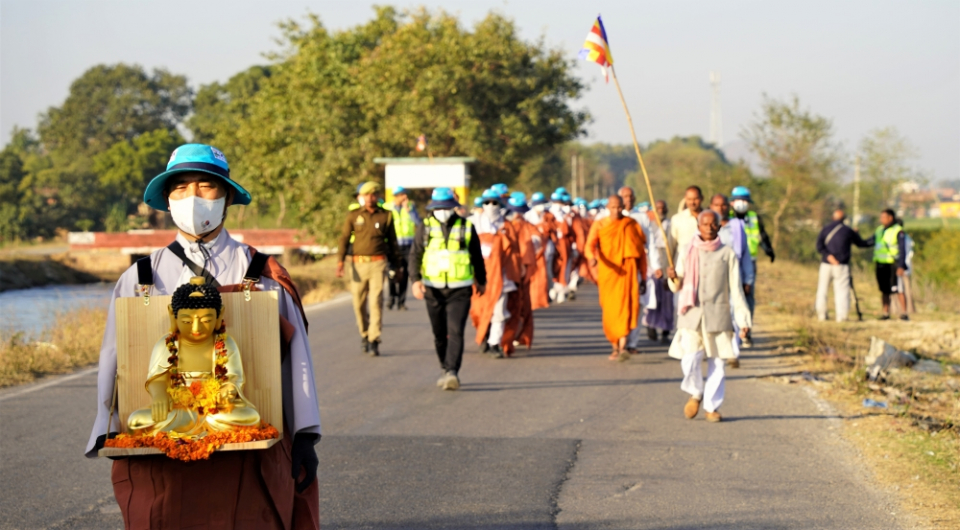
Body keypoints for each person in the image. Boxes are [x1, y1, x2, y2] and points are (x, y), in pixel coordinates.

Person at [85, 143, 321, 529]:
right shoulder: (140, 278)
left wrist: (306, 435)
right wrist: (106, 427)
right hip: (170, 441)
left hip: (243, 442)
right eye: (180, 188)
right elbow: (115, 358)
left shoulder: (261, 272)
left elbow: (296, 360)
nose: (193, 198)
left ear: (227, 195)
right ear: (167, 199)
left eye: (206, 186)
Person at [667, 210, 752, 423]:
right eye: (705, 224)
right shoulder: (687, 250)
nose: (709, 228)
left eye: (713, 224)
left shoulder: (727, 254)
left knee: (718, 363)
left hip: (718, 314)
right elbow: (677, 286)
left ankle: (712, 407)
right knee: (690, 359)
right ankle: (696, 391)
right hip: (691, 313)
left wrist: (743, 321)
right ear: (698, 225)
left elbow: (736, 290)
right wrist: (673, 278)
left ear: (719, 226)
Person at [409, 188, 487, 390]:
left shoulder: (466, 227)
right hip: (432, 288)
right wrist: (415, 280)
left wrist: (482, 280)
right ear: (433, 208)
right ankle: (444, 367)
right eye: (439, 207)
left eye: (447, 207)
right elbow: (415, 255)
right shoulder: (424, 228)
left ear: (454, 207)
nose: (443, 211)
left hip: (460, 289)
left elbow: (477, 257)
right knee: (439, 333)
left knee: (456, 331)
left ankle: (452, 371)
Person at [336, 181, 401, 356]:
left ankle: (374, 338)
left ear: (378, 196)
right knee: (358, 302)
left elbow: (392, 241)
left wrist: (398, 264)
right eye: (366, 195)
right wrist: (340, 262)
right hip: (358, 264)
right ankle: (364, 334)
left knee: (376, 301)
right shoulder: (353, 216)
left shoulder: (386, 216)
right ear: (361, 197)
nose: (370, 198)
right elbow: (343, 239)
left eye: (373, 194)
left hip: (378, 263)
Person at [586, 195, 647, 361]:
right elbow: (589, 245)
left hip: (629, 271)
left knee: (628, 306)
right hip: (609, 272)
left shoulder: (631, 224)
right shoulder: (600, 224)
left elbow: (641, 253)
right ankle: (614, 345)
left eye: (619, 207)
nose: (616, 210)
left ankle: (622, 346)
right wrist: (591, 257)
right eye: (613, 207)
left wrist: (644, 276)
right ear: (607, 207)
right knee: (610, 309)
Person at [470, 189, 524, 357]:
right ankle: (484, 335)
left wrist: (517, 273)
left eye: (494, 203)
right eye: (487, 202)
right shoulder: (473, 223)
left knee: (500, 312)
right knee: (479, 311)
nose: (491, 206)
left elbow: (515, 252)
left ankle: (495, 343)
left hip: (502, 277)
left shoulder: (507, 226)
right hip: (480, 277)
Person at [617, 186, 661, 354]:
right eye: (625, 196)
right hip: (617, 270)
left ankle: (632, 343)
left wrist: (656, 265)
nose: (628, 199)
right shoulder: (611, 218)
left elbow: (649, 243)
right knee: (619, 305)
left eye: (630, 196)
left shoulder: (641, 217)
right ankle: (619, 340)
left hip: (637, 266)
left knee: (638, 304)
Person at [730, 186, 773, 347]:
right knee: (732, 297)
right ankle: (731, 331)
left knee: (748, 295)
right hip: (731, 262)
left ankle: (746, 330)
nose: (741, 204)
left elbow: (762, 235)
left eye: (745, 201)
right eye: (738, 200)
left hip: (750, 262)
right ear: (732, 202)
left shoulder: (754, 218)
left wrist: (769, 249)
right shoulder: (726, 218)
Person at [815, 208, 871, 322]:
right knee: (842, 291)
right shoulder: (848, 231)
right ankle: (841, 316)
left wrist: (828, 256)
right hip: (841, 265)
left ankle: (821, 315)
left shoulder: (825, 229)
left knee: (822, 289)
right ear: (844, 219)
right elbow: (861, 244)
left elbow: (819, 246)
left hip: (826, 264)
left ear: (832, 218)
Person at [504, 194, 538, 349]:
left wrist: (525, 265)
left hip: (521, 271)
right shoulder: (504, 225)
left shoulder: (527, 227)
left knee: (521, 305)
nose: (517, 214)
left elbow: (534, 245)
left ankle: (519, 335)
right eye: (514, 211)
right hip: (505, 270)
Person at [868, 208, 908, 320]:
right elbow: (868, 242)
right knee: (884, 290)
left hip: (893, 264)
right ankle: (886, 313)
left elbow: (902, 249)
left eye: (883, 217)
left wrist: (901, 265)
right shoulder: (879, 230)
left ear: (890, 217)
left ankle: (904, 313)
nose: (881, 219)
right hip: (881, 264)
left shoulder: (898, 230)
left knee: (898, 289)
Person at [385, 186, 421, 311]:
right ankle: (391, 297)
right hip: (393, 245)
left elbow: (419, 223)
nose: (404, 197)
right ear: (396, 196)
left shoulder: (411, 207)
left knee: (405, 274)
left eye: (405, 195)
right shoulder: (387, 208)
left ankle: (401, 301)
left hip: (408, 246)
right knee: (391, 272)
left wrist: (409, 210)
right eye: (402, 195)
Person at [645, 199, 674, 343]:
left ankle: (665, 331)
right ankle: (651, 325)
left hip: (668, 264)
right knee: (653, 298)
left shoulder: (671, 225)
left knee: (667, 299)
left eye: (663, 208)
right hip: (652, 267)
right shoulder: (648, 226)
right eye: (658, 208)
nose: (660, 211)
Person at [524, 192, 558, 309]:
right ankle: (533, 297)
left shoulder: (548, 216)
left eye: (542, 204)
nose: (540, 206)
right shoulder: (527, 216)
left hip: (547, 249)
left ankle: (547, 292)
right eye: (538, 204)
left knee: (547, 273)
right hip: (532, 249)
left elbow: (555, 231)